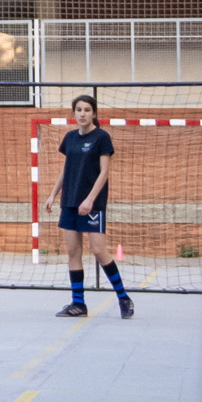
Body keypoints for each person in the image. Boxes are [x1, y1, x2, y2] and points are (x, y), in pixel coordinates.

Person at [56, 93, 133, 318]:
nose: (82, 114)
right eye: (79, 110)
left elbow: (104, 172)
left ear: (94, 113)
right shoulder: (70, 138)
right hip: (69, 201)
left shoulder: (101, 137)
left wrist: (90, 199)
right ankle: (78, 304)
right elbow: (66, 169)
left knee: (99, 250)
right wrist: (53, 194)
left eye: (87, 110)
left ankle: (123, 297)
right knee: (73, 252)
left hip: (92, 204)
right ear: (74, 113)